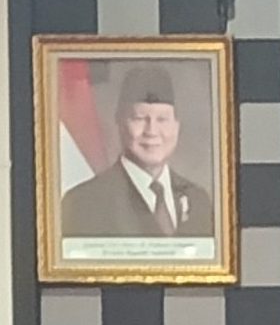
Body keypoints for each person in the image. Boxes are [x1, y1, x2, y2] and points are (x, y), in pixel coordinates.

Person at [58, 64, 217, 240]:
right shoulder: (83, 202)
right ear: (120, 121)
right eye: (139, 118)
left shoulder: (198, 201)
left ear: (176, 126)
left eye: (162, 119)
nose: (151, 131)